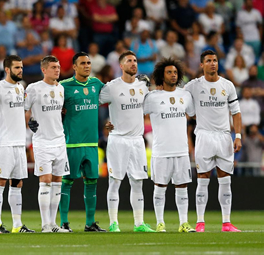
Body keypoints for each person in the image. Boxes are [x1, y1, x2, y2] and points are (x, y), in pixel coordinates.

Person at [184, 50, 242, 232]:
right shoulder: (193, 86)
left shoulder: (228, 85)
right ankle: (200, 222)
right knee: (203, 178)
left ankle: (226, 222)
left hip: (224, 136)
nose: (213, 63)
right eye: (208, 61)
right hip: (204, 136)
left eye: (215, 60)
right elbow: (178, 98)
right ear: (202, 65)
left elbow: (236, 113)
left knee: (225, 179)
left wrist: (238, 136)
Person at [100, 50, 155, 233]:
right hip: (118, 140)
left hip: (137, 141)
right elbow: (94, 105)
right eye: (129, 61)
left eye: (135, 60)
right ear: (121, 66)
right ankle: (113, 223)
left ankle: (139, 223)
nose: (133, 63)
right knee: (115, 182)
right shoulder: (111, 87)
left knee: (138, 182)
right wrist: (104, 124)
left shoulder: (143, 86)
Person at [144, 58, 196, 233]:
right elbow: (135, 114)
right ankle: (160, 223)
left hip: (181, 149)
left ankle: (184, 223)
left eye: (175, 72)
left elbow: (193, 116)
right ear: (161, 75)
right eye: (169, 72)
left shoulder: (185, 95)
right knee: (160, 186)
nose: (173, 75)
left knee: (182, 186)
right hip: (161, 150)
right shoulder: (152, 97)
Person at [58, 52, 105, 232]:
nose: (87, 66)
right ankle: (64, 222)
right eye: (83, 63)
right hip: (72, 143)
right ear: (74, 67)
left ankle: (90, 223)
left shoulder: (96, 84)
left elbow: (112, 97)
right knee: (67, 181)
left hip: (92, 144)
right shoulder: (64, 86)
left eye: (88, 63)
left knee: (92, 181)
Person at [24, 55, 70, 233]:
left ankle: (53, 224)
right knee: (46, 180)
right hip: (42, 141)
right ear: (44, 70)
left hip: (59, 140)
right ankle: (45, 224)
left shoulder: (60, 88)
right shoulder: (34, 88)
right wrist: (29, 122)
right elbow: (23, 108)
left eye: (58, 67)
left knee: (58, 181)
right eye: (53, 67)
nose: (57, 70)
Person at [0, 55, 34, 233]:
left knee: (17, 183)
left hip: (18, 142)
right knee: (0, 181)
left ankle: (17, 225)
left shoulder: (20, 87)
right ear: (7, 69)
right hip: (3, 143)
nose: (20, 70)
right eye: (16, 67)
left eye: (21, 67)